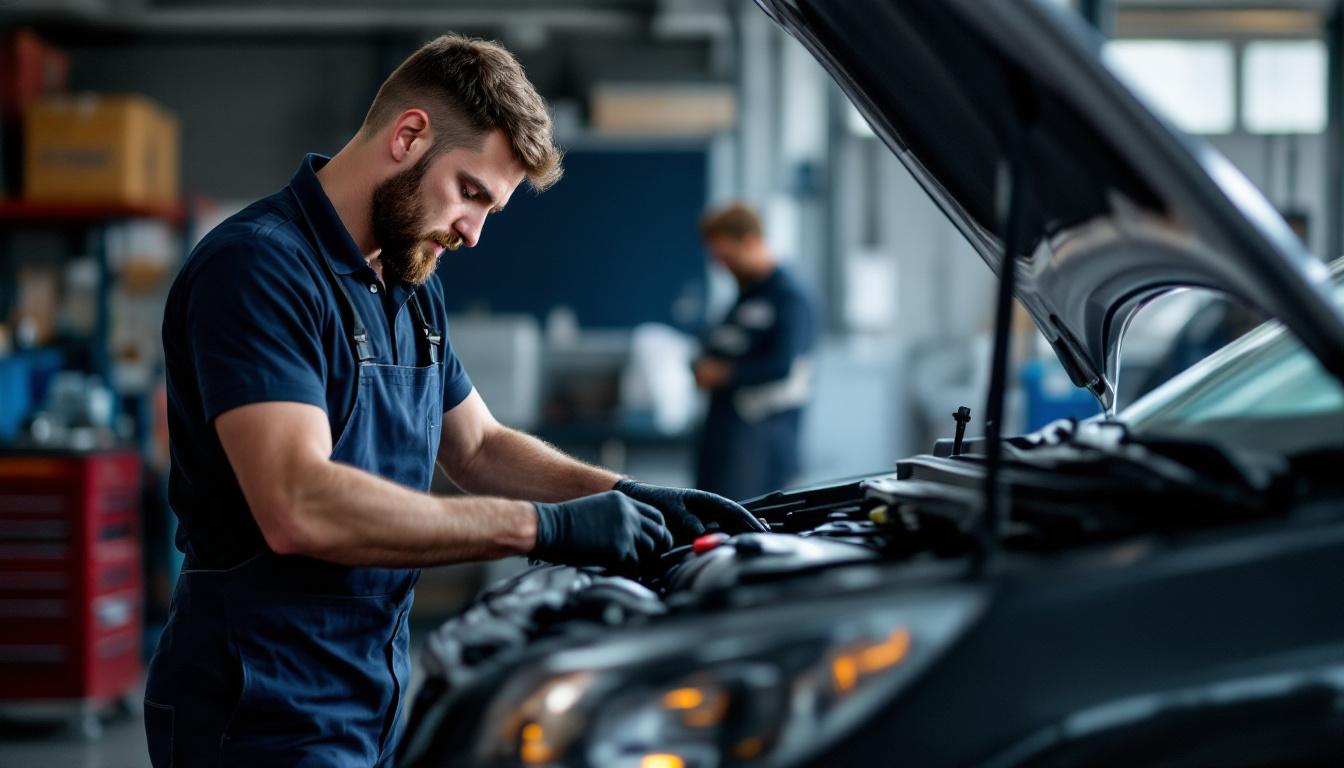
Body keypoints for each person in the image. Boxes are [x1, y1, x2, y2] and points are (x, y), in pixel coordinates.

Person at [145, 34, 762, 766]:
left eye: (491, 209)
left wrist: (632, 498)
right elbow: (297, 502)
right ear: (409, 136)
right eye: (471, 193)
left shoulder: (411, 286)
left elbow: (476, 446)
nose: (473, 233)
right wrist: (546, 529)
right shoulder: (259, 269)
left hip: (367, 690)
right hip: (257, 705)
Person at [693, 203, 818, 501]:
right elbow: (717, 344)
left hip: (762, 438)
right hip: (722, 432)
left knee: (749, 521)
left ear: (749, 242)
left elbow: (782, 365)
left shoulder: (790, 297)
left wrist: (724, 374)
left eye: (728, 257)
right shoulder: (744, 297)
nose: (723, 267)